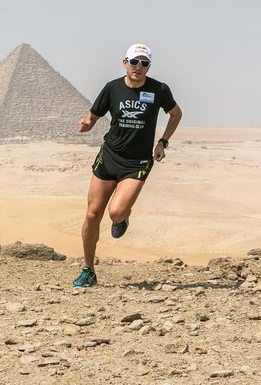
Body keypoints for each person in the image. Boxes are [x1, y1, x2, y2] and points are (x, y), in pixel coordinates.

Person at [73, 43, 183, 287]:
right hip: (110, 156)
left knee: (116, 212)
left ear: (149, 67)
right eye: (134, 62)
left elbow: (176, 113)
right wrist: (86, 124)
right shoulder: (112, 88)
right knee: (92, 214)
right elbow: (93, 115)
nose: (138, 67)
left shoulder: (159, 89)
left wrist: (163, 142)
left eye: (144, 63)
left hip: (138, 161)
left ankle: (123, 218)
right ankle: (88, 270)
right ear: (125, 62)